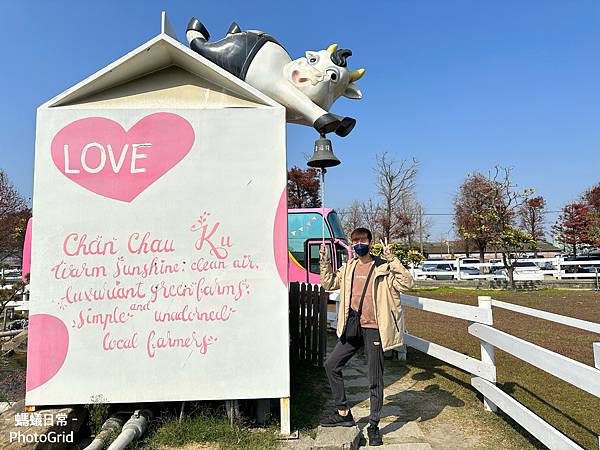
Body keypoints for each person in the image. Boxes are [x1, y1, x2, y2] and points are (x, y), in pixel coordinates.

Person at [319, 227, 414, 447]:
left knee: (375, 378)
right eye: (355, 241)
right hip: (352, 326)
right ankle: (343, 413)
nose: (358, 244)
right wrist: (325, 263)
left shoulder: (383, 267)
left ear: (370, 243)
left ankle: (373, 425)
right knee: (332, 364)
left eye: (362, 240)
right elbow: (329, 283)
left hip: (374, 328)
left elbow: (407, 283)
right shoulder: (350, 267)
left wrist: (392, 258)